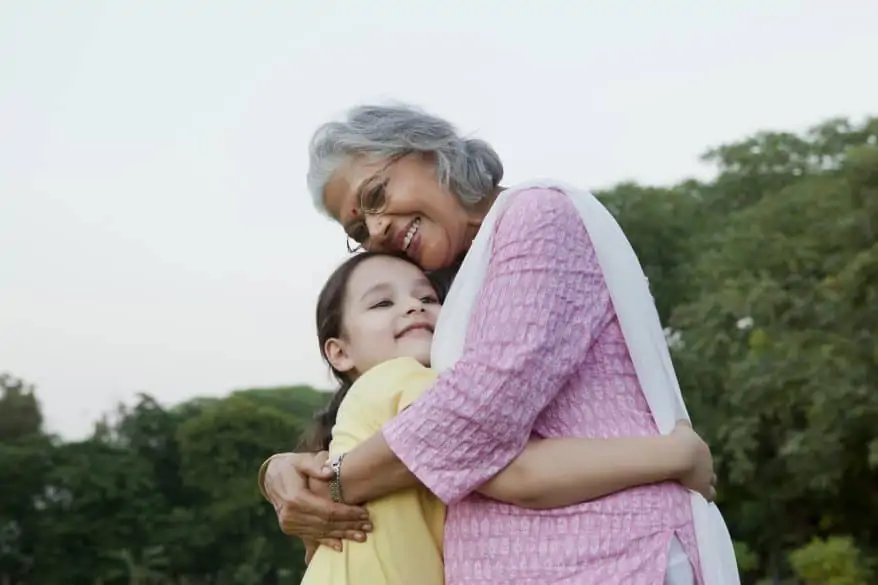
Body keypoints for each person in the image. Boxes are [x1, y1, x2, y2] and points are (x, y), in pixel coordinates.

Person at [259, 103, 740, 585]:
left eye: (377, 195)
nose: (378, 228)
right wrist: (280, 472)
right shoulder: (460, 286)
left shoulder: (535, 217)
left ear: (428, 153)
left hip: (614, 558)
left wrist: (330, 486)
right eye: (360, 230)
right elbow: (389, 413)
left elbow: (475, 415)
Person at [297, 250, 716, 585]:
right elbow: (519, 474)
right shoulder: (398, 380)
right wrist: (676, 454)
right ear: (339, 352)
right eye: (383, 302)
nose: (413, 307)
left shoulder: (363, 416)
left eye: (428, 298)